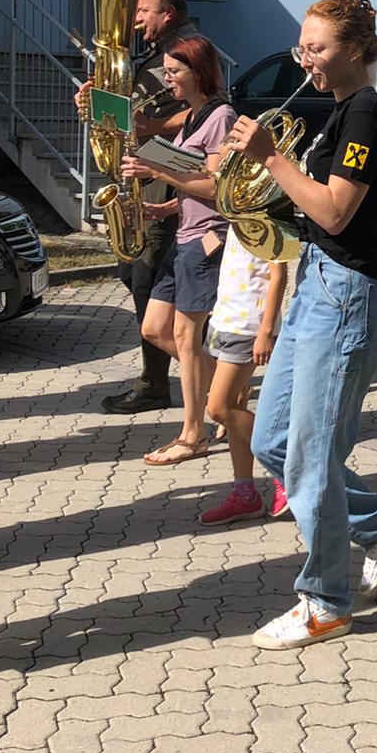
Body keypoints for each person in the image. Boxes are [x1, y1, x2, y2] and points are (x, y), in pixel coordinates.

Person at [223, 0, 377, 649]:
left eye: (318, 48)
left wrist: (272, 157)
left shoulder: (365, 114)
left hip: (346, 295)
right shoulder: (340, 111)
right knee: (274, 440)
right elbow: (308, 212)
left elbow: (334, 211)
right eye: (301, 47)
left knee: (309, 457)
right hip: (315, 285)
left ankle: (327, 603)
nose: (305, 59)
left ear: (355, 51)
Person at [118, 34, 238, 465]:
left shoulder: (220, 117)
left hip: (208, 239)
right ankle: (229, 390)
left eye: (173, 71)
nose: (166, 79)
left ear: (198, 72)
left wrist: (156, 169)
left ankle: (193, 434)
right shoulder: (193, 117)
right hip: (185, 233)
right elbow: (193, 182)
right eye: (165, 71)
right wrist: (166, 207)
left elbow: (218, 188)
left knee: (187, 337)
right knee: (154, 329)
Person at [80, 0, 196, 416]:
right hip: (144, 174)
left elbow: (207, 110)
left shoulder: (189, 50)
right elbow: (135, 112)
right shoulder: (152, 55)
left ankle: (158, 381)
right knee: (132, 271)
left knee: (147, 277)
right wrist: (96, 105)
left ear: (168, 13)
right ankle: (184, 356)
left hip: (168, 177)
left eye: (144, 10)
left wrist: (150, 128)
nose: (136, 18)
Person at [199, 228, 289, 525]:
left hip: (249, 327)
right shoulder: (239, 215)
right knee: (234, 407)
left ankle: (286, 469)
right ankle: (245, 493)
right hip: (224, 319)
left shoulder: (273, 216)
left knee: (218, 407)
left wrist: (266, 332)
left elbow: (279, 275)